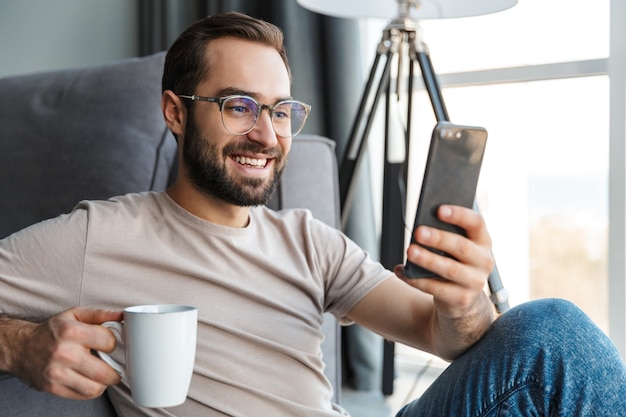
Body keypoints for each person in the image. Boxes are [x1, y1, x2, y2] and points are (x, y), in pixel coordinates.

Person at [0, 11, 624, 417]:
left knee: (551, 330)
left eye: (279, 111)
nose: (265, 135)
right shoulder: (102, 235)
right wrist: (20, 343)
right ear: (176, 112)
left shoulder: (308, 241)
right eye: (240, 106)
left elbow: (442, 336)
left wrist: (466, 304)